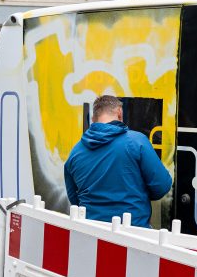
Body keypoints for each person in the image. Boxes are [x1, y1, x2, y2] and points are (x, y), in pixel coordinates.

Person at [64, 95, 172, 228]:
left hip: (92, 234)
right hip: (133, 234)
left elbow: (74, 200)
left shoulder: (75, 153)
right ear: (120, 113)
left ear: (93, 119)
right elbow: (162, 186)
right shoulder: (137, 142)